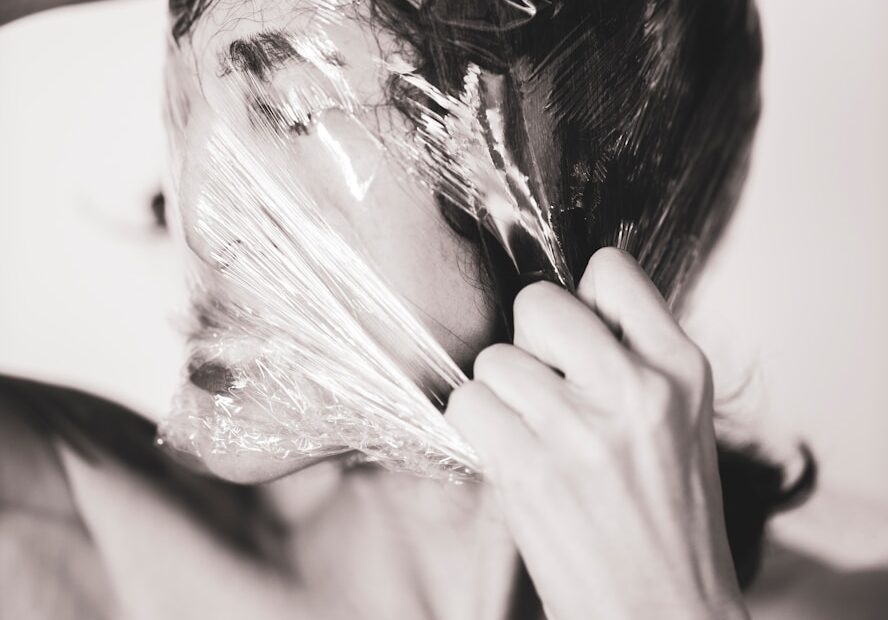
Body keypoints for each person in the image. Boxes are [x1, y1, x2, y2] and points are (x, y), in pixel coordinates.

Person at [0, 1, 814, 618]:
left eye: (294, 110)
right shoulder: (56, 529)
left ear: (561, 179)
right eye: (187, 111)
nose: (203, 226)